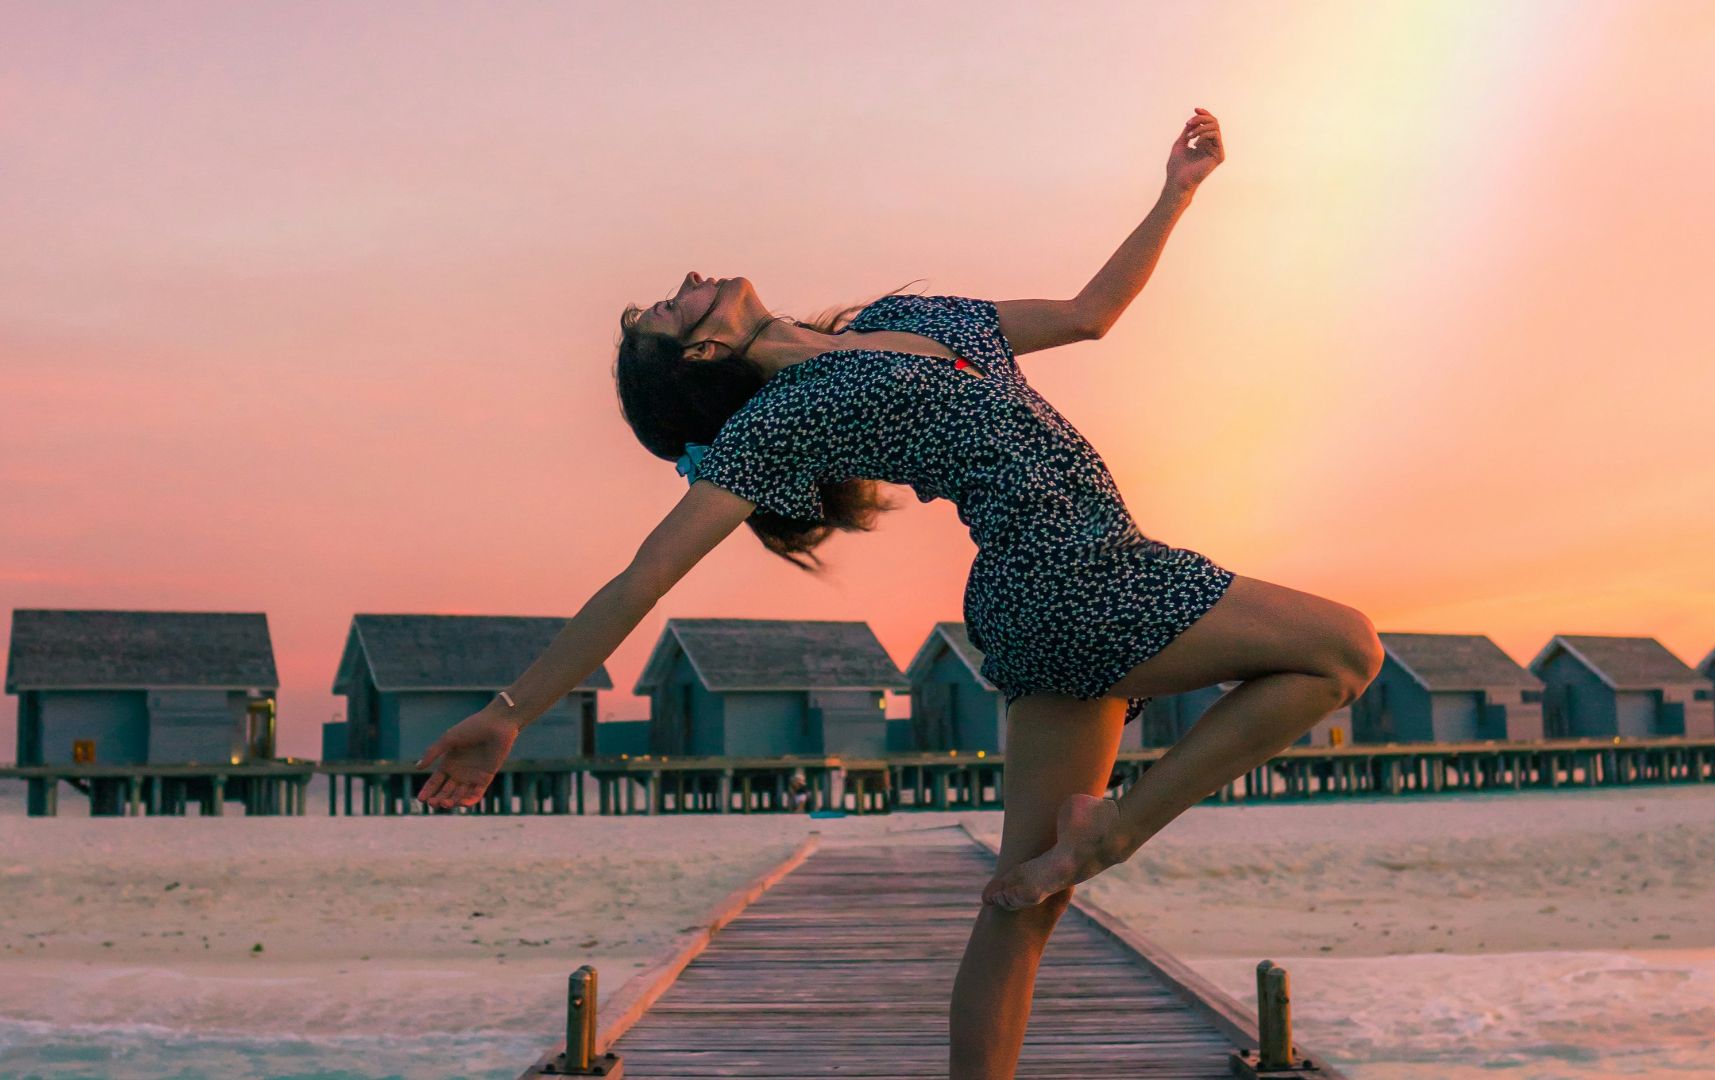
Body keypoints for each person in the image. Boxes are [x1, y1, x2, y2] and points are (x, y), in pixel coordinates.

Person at [413, 107, 1383, 1079]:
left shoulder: (915, 320)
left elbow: (1091, 315)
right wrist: (508, 714)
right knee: (1346, 649)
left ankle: (1085, 857)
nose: (688, 282)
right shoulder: (779, 425)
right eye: (676, 308)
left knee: (1022, 910)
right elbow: (644, 578)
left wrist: (1175, 193)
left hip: (1033, 600)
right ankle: (1116, 827)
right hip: (1079, 573)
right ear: (702, 356)